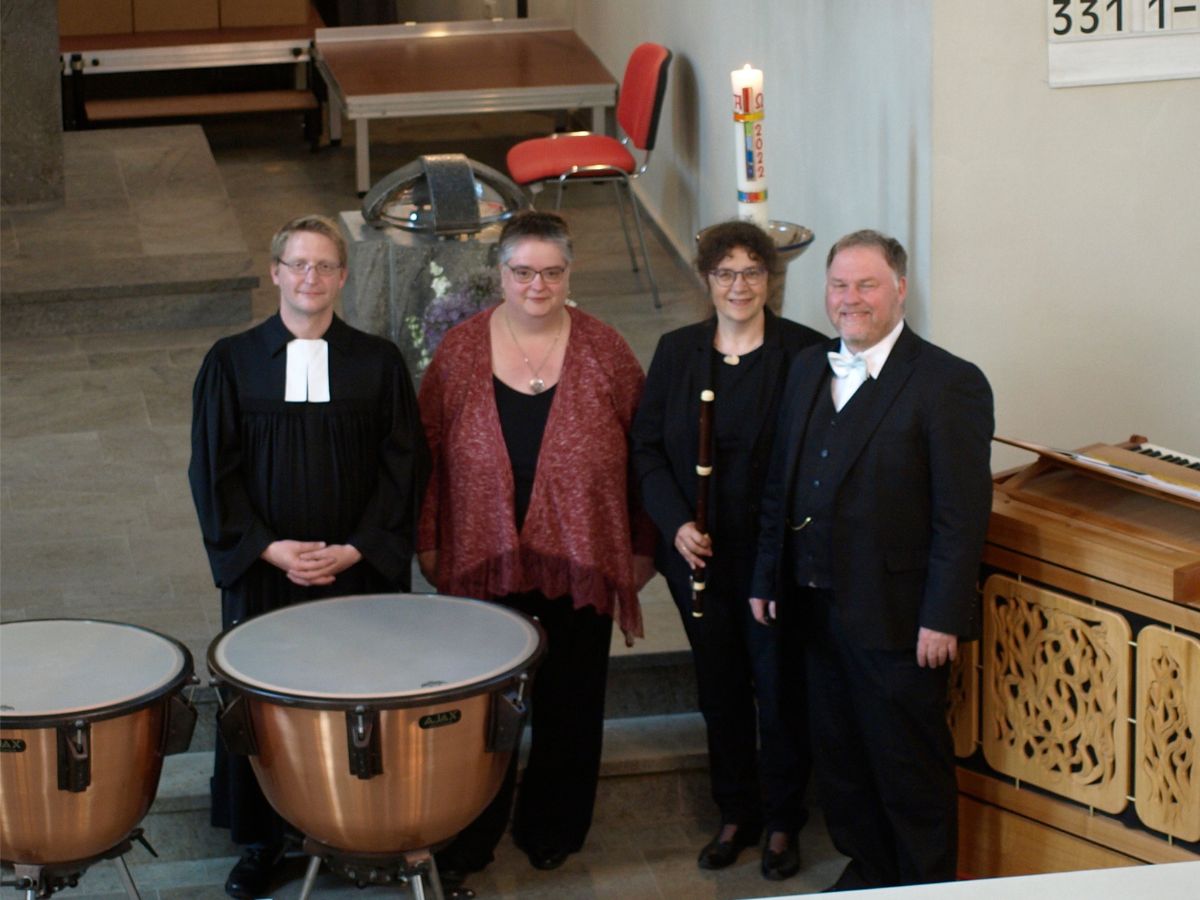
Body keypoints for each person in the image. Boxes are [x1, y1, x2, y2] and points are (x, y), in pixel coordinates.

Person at [188, 214, 429, 899]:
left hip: (355, 576)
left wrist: (357, 549)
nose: (310, 278)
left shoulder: (377, 363)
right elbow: (213, 472)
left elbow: (404, 467)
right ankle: (263, 843)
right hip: (267, 575)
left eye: (325, 266)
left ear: (343, 277)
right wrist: (268, 548)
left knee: (358, 697)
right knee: (261, 706)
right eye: (298, 265)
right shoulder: (231, 362)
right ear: (275, 273)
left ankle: (362, 827)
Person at [417, 210, 655, 887]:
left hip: (581, 561)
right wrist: (431, 542)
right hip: (482, 559)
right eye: (522, 271)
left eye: (552, 272)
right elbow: (427, 457)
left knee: (572, 701)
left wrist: (638, 551)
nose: (537, 284)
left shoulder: (606, 351)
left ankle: (555, 824)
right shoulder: (461, 351)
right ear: (500, 274)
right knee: (484, 710)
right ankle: (473, 830)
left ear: (569, 274)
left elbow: (644, 458)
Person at [750, 229, 993, 890]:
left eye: (866, 285)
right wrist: (767, 575)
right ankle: (869, 869)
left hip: (899, 620)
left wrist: (942, 617)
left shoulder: (949, 383)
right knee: (841, 761)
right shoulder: (807, 366)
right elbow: (782, 483)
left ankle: (922, 882)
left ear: (900, 289)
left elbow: (960, 516)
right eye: (838, 285)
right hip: (811, 607)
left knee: (906, 767)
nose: (849, 299)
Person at [631, 220, 824, 880]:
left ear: (770, 280)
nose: (738, 286)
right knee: (719, 688)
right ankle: (735, 811)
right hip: (700, 559)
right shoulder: (678, 351)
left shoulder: (805, 353)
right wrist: (676, 524)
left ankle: (782, 820)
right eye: (725, 273)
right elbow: (647, 450)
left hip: (775, 560)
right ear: (706, 279)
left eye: (751, 273)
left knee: (779, 688)